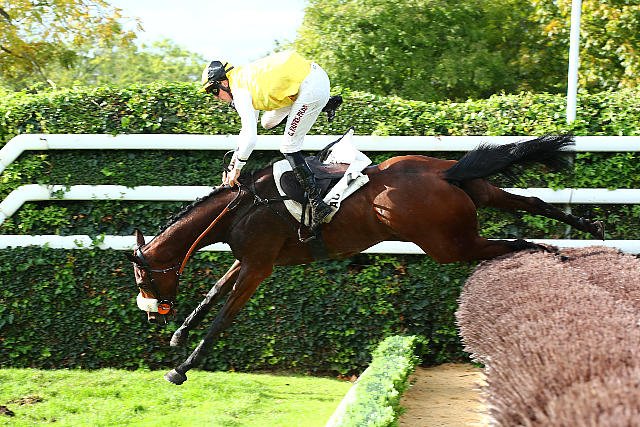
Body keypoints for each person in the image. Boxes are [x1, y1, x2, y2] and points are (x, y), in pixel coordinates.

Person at [201, 50, 336, 232]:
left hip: (311, 86)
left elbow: (250, 139)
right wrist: (232, 166)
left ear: (224, 83)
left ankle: (317, 202)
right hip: (310, 80)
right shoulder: (241, 80)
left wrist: (237, 169)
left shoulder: (239, 91)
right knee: (267, 122)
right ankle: (325, 103)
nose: (216, 98)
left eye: (214, 91)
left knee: (289, 146)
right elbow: (246, 131)